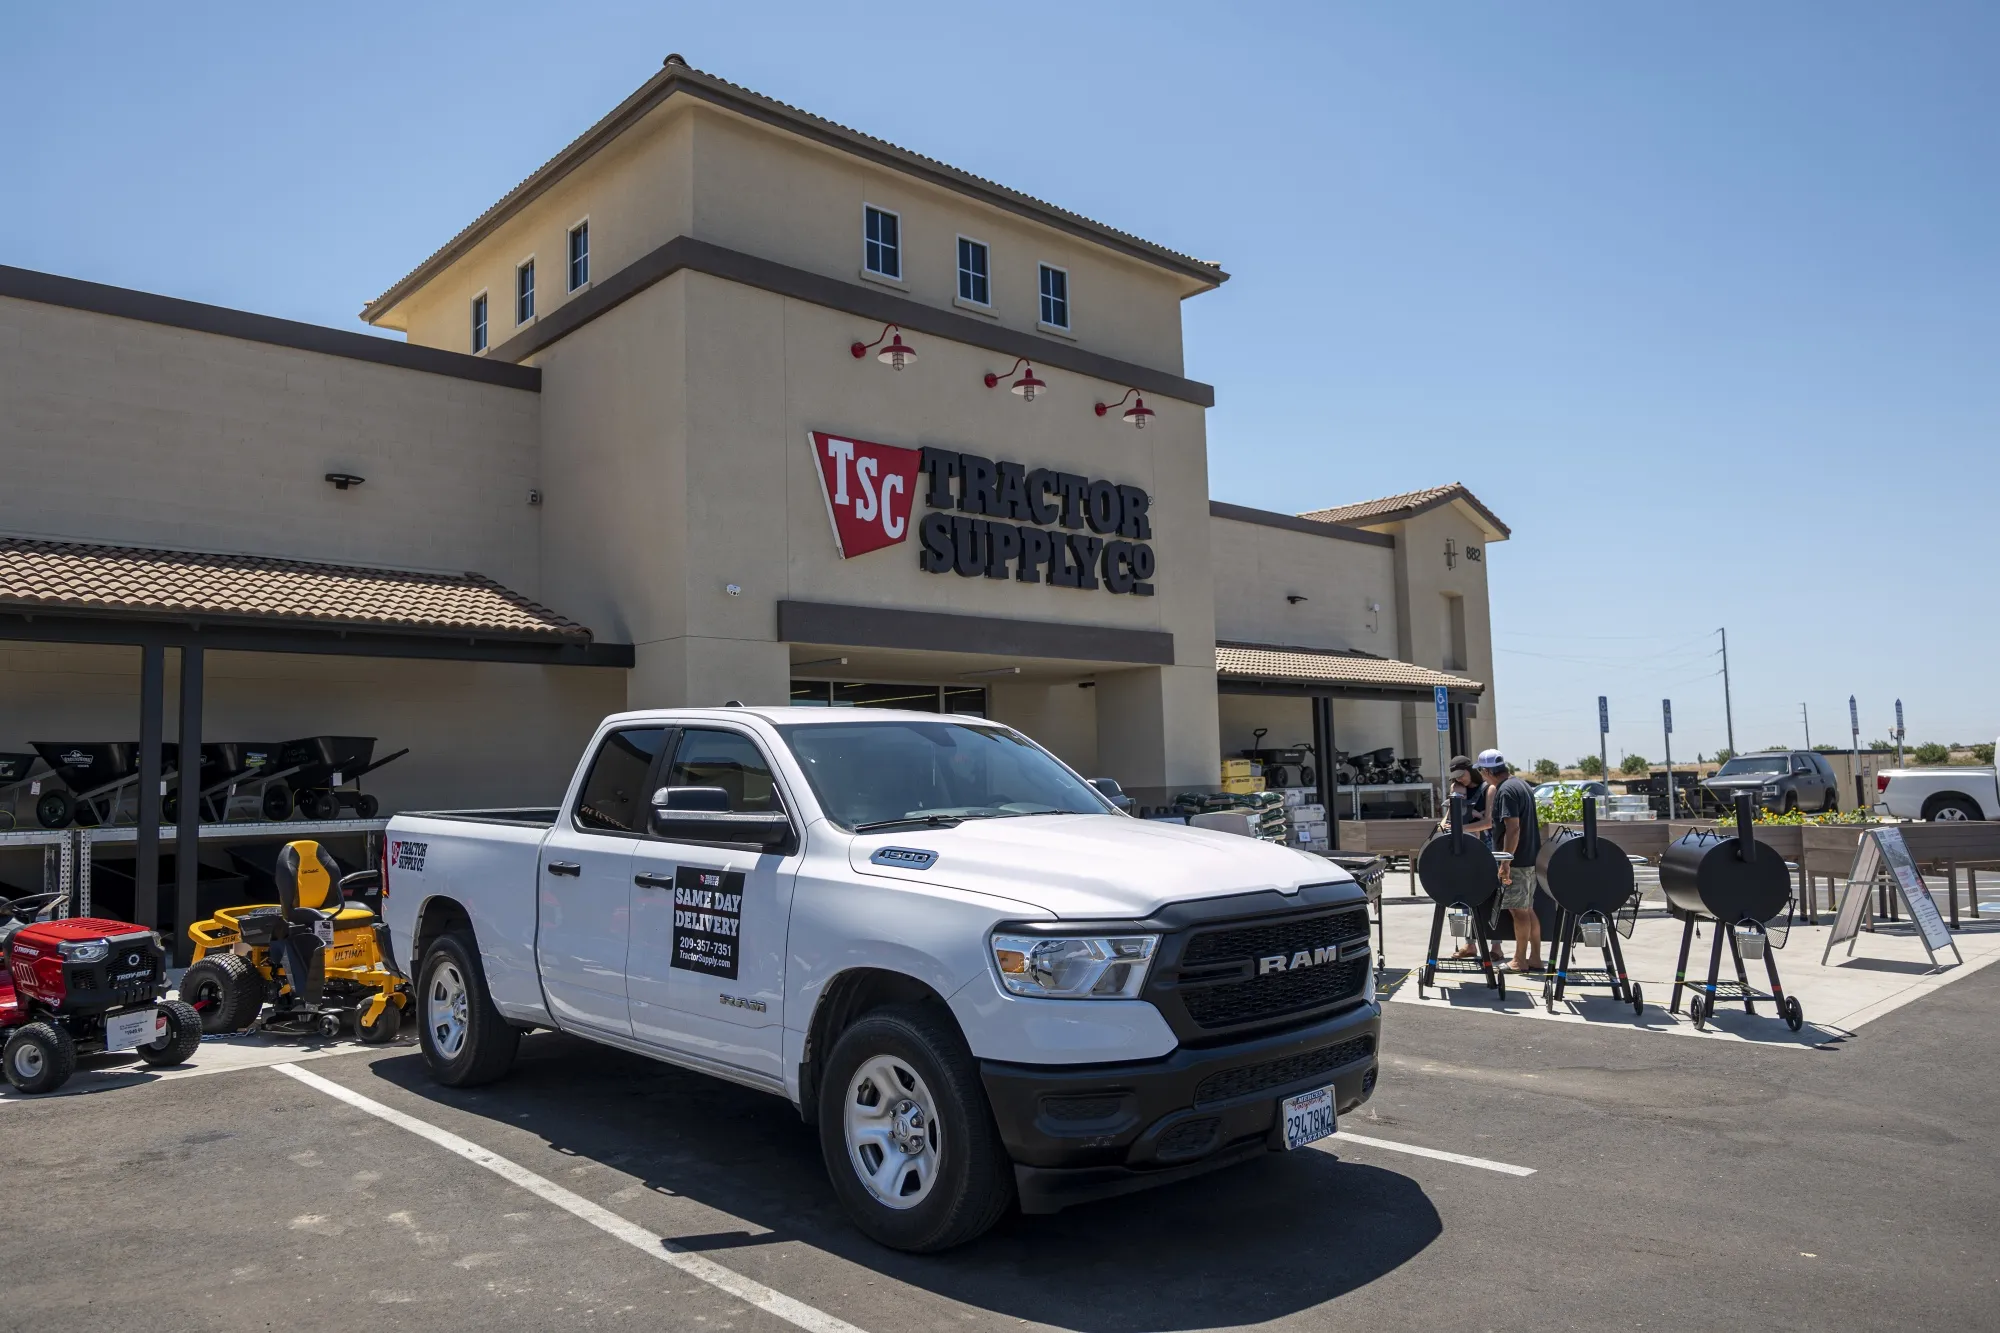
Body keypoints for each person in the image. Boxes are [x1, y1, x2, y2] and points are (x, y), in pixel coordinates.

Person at [1480, 749, 1543, 972]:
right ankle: (1534, 958)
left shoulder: (1505, 791)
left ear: (1487, 771)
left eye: (1482, 772)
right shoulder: (1521, 785)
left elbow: (1513, 829)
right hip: (1529, 857)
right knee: (1527, 908)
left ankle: (1519, 960)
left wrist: (1505, 862)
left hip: (1517, 861)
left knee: (1519, 911)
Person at [1440, 755, 1500, 961]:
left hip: (1485, 846)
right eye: (1456, 777)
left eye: (1462, 775)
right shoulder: (1457, 788)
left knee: (1489, 894)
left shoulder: (1488, 789)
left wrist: (1461, 827)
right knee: (1463, 893)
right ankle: (1469, 943)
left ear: (1471, 770)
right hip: (1463, 847)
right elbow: (1449, 816)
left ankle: (1496, 945)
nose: (1461, 780)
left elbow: (1489, 822)